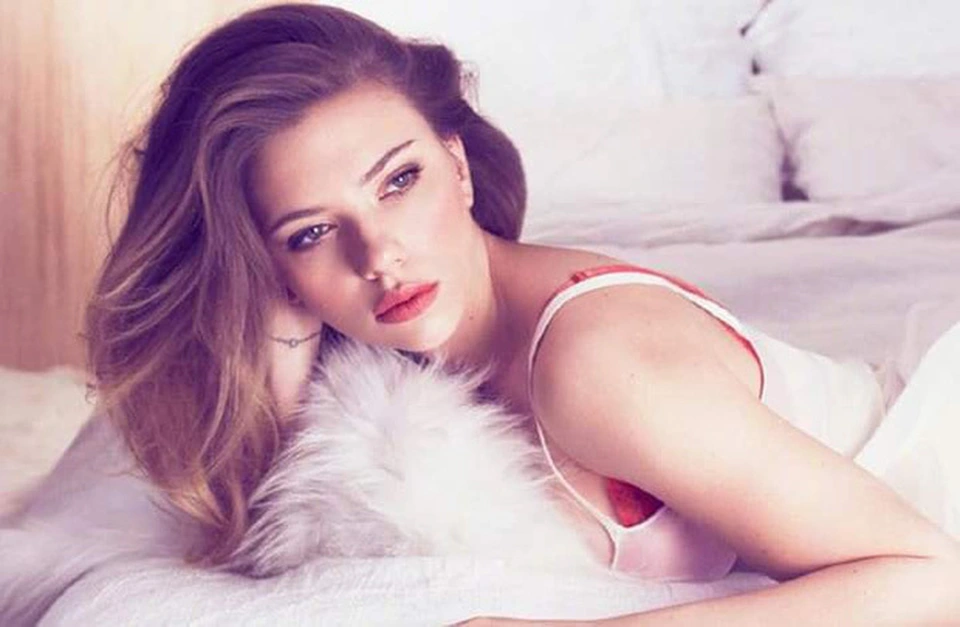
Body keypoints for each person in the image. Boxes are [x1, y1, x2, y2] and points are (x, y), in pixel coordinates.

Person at [84, 3, 960, 623]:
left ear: (458, 167)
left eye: (399, 180)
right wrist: (279, 315)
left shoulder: (597, 365)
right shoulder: (383, 368)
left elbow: (929, 576)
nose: (379, 254)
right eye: (312, 231)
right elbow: (253, 516)